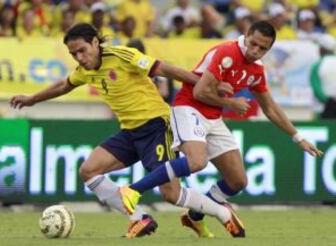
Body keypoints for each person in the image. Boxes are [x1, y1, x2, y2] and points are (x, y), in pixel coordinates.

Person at [9, 23, 234, 239]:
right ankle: (138, 219)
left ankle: (222, 213)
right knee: (88, 171)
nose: (79, 57)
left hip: (157, 125)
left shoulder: (122, 56)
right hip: (130, 132)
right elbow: (63, 85)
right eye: (73, 54)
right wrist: (32, 99)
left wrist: (208, 84)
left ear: (95, 43)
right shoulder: (85, 71)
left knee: (171, 194)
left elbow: (164, 69)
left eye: (82, 51)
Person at [119, 21, 324, 238]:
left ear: (269, 49)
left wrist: (297, 137)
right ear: (246, 35)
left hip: (213, 117)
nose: (256, 51)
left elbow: (270, 108)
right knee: (197, 162)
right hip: (189, 107)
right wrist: (232, 103)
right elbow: (198, 92)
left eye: (263, 48)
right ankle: (133, 190)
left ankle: (194, 216)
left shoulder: (256, 69)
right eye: (253, 44)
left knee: (238, 181)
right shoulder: (227, 53)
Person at [310, 34, 336, 118]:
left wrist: (329, 101)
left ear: (322, 48)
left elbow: (316, 87)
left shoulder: (317, 65)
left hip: (321, 109)